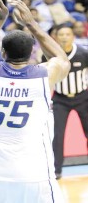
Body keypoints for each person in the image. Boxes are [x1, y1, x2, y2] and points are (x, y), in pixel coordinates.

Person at [0, 0, 70, 203]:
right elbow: (61, 58)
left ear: (2, 52)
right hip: (33, 170)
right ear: (33, 51)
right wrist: (31, 23)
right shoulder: (44, 75)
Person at [52, 24, 88, 179]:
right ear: (56, 37)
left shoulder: (83, 53)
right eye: (61, 34)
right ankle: (56, 170)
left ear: (73, 36)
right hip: (60, 99)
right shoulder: (51, 55)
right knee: (58, 135)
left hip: (83, 97)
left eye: (68, 34)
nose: (65, 37)